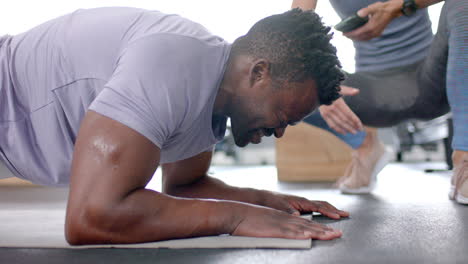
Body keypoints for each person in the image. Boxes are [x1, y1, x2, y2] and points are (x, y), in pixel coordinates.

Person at [0, 7, 350, 245]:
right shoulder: (174, 68)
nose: (280, 131)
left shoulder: (215, 91)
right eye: (282, 115)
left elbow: (184, 187)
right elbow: (90, 216)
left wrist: (267, 203)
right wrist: (235, 217)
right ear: (258, 73)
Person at [291, 0, 468, 203]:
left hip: (434, 81)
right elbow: (296, 30)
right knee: (285, 73)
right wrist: (320, 84)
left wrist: (402, 5)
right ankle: (365, 146)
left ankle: (465, 158)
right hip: (372, 95)